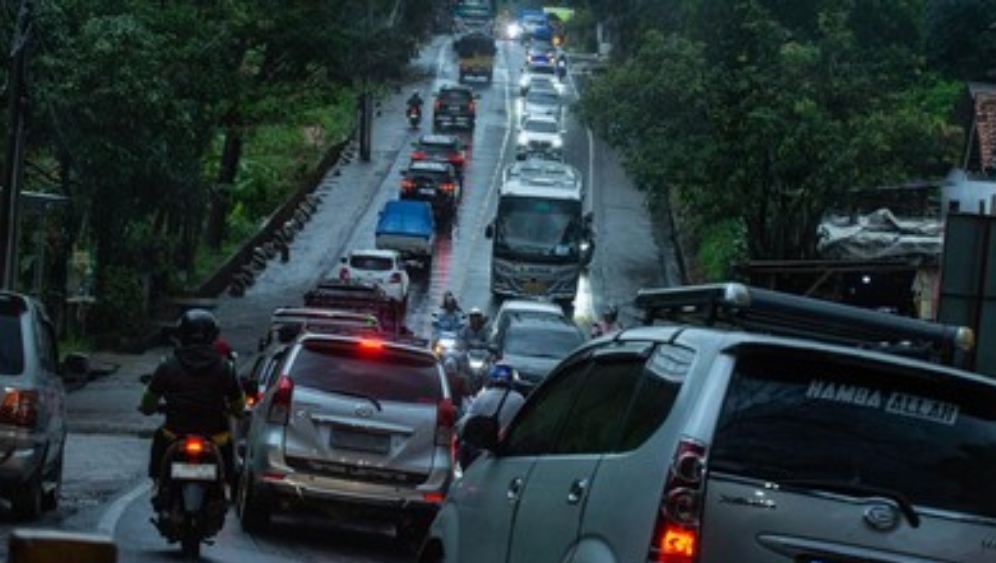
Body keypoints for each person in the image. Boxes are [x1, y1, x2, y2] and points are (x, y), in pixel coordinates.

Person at [139, 309, 245, 506]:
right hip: (215, 435)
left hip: (175, 432)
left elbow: (148, 402)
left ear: (181, 335)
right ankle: (227, 487)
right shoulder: (225, 368)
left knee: (159, 438)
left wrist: (149, 408)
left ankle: (157, 482)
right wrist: (237, 410)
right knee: (230, 446)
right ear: (213, 336)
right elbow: (239, 404)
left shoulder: (168, 365)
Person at [457, 362, 525, 469]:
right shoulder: (519, 399)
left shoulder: (482, 397)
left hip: (479, 452)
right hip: (506, 452)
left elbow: (463, 425)